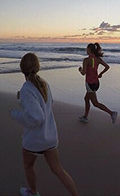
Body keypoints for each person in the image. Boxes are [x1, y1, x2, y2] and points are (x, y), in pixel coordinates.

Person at [10, 53, 79, 196]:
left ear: (21, 68)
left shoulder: (26, 89)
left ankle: (33, 192)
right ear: (38, 67)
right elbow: (47, 104)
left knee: (28, 166)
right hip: (50, 137)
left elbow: (37, 117)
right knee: (59, 170)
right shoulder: (44, 84)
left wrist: (15, 114)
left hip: (35, 140)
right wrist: (22, 98)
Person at [78, 43, 117, 124]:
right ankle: (85, 117)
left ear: (89, 49)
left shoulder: (86, 60)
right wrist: (101, 74)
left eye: (87, 48)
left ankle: (112, 113)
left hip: (90, 84)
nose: (86, 50)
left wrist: (80, 70)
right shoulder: (98, 59)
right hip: (96, 83)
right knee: (86, 99)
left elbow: (83, 73)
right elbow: (107, 67)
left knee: (95, 103)